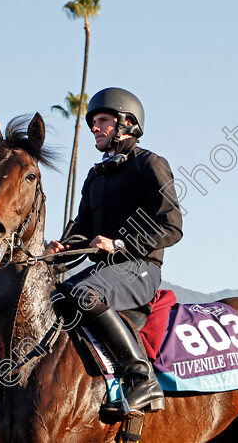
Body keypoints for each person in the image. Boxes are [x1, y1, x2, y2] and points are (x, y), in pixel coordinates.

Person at [48, 87, 183, 416]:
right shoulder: (96, 176)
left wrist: (119, 244)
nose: (95, 127)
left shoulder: (150, 164)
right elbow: (82, 231)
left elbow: (173, 228)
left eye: (103, 120)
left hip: (141, 268)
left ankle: (141, 379)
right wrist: (59, 250)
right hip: (104, 273)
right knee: (55, 295)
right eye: (93, 121)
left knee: (82, 292)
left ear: (126, 124)